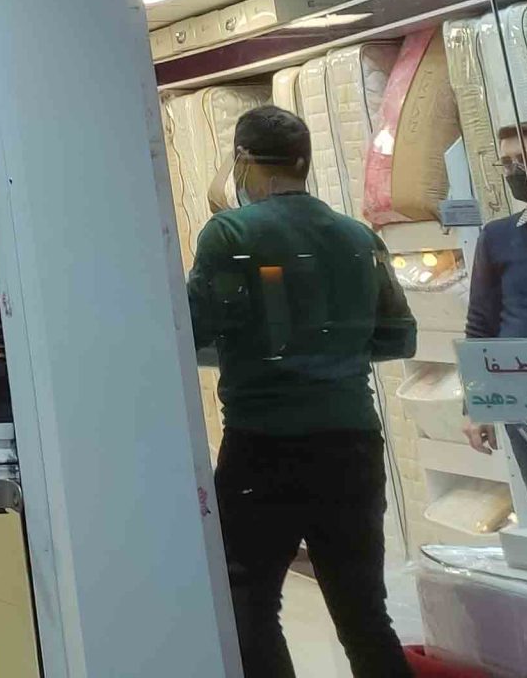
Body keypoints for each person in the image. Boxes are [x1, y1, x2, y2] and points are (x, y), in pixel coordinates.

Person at [188, 103, 417, 678]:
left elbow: (194, 329)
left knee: (247, 604)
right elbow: (396, 338)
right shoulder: (359, 237)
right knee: (364, 614)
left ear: (242, 160)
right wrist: (331, 351)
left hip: (263, 445)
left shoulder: (230, 232)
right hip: (352, 444)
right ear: (303, 161)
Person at [462, 119, 527, 521]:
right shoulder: (497, 237)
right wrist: (477, 406)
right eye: (507, 163)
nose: (517, 171)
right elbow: (481, 325)